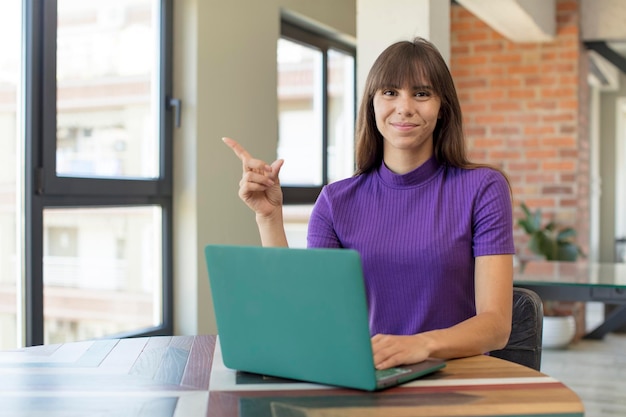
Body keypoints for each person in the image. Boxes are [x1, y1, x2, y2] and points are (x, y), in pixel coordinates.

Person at [223, 37, 514, 370]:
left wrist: (420, 345)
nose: (404, 107)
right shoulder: (335, 201)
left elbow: (496, 325)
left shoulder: (484, 188)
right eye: (390, 92)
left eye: (421, 93)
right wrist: (269, 218)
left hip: (457, 378)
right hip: (371, 378)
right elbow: (309, 316)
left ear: (442, 107)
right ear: (372, 104)